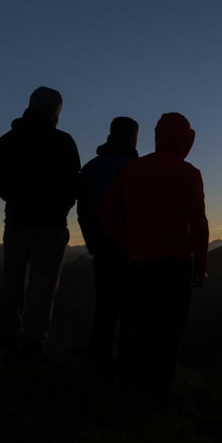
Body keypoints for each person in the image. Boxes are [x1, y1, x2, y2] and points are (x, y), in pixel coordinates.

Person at [101, 112, 208, 400]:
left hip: (138, 262)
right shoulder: (189, 173)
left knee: (134, 323)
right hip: (176, 265)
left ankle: (126, 384)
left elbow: (107, 211)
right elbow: (198, 222)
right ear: (185, 140)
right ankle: (158, 392)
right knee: (168, 331)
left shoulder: (133, 171)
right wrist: (202, 263)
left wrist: (126, 243)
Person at [0, 86, 81, 359]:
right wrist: (61, 206)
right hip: (51, 223)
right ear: (56, 112)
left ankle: (8, 335)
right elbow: (74, 183)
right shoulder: (62, 142)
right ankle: (33, 341)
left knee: (12, 280)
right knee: (42, 284)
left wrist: (12, 196)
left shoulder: (8, 141)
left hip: (16, 220)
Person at [76, 116, 139, 372]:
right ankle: (126, 364)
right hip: (134, 249)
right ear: (133, 137)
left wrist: (91, 241)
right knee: (132, 307)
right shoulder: (138, 169)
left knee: (105, 304)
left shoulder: (91, 168)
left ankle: (98, 358)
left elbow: (83, 210)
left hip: (101, 246)